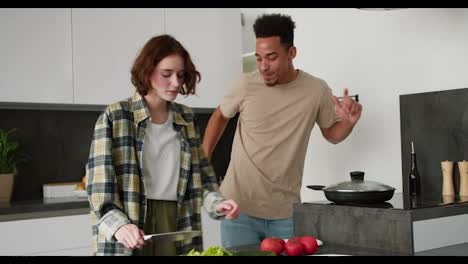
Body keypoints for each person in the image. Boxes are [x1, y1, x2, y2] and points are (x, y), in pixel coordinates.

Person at [202, 13, 362, 248]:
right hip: (238, 208)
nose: (263, 66)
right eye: (258, 58)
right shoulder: (246, 85)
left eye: (272, 57)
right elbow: (219, 116)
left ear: (291, 53)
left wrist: (348, 123)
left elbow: (332, 134)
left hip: (285, 213)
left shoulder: (315, 90)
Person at [86, 34, 240, 256]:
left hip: (177, 220)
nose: (176, 83)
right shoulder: (116, 117)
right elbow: (99, 189)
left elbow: (202, 179)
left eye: (180, 75)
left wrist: (217, 204)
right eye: (166, 74)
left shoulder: (186, 118)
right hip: (131, 220)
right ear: (147, 70)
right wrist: (119, 226)